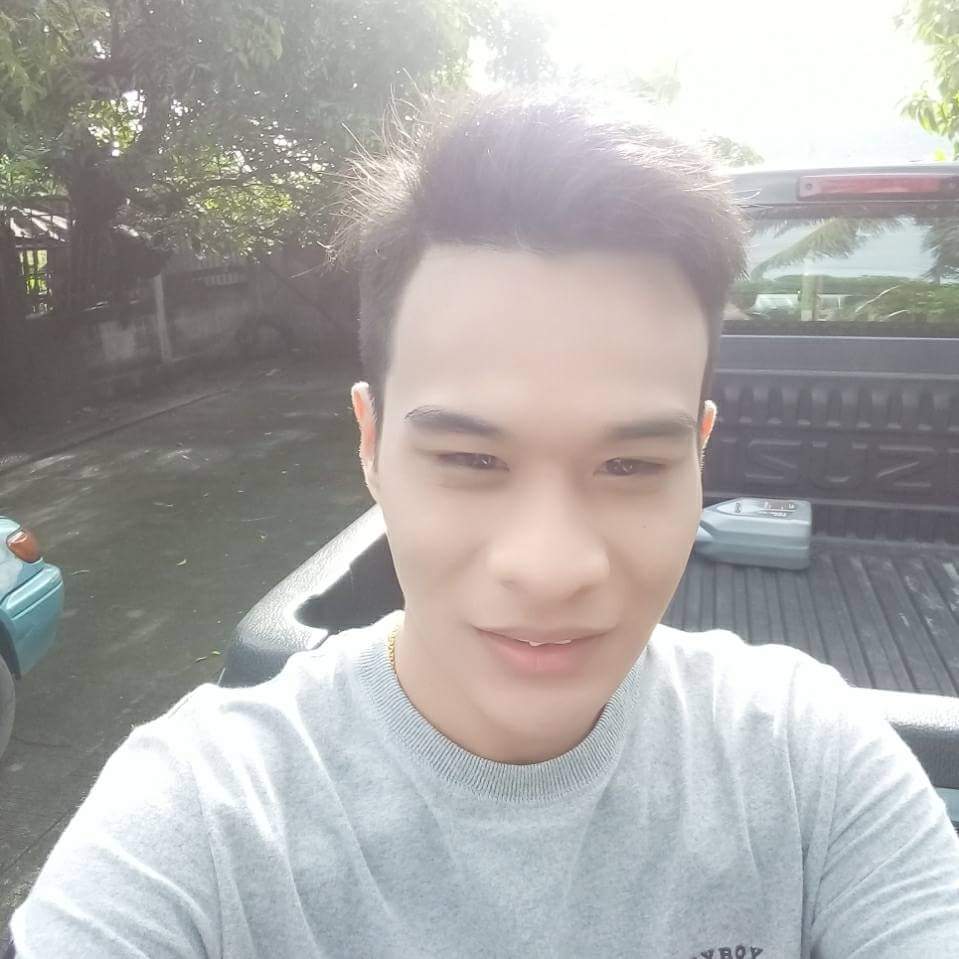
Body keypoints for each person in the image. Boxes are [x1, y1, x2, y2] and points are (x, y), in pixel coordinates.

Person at [9, 88, 959, 959]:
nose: (549, 567)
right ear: (371, 445)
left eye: (630, 465)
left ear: (700, 457)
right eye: (470, 459)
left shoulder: (808, 761)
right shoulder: (202, 814)